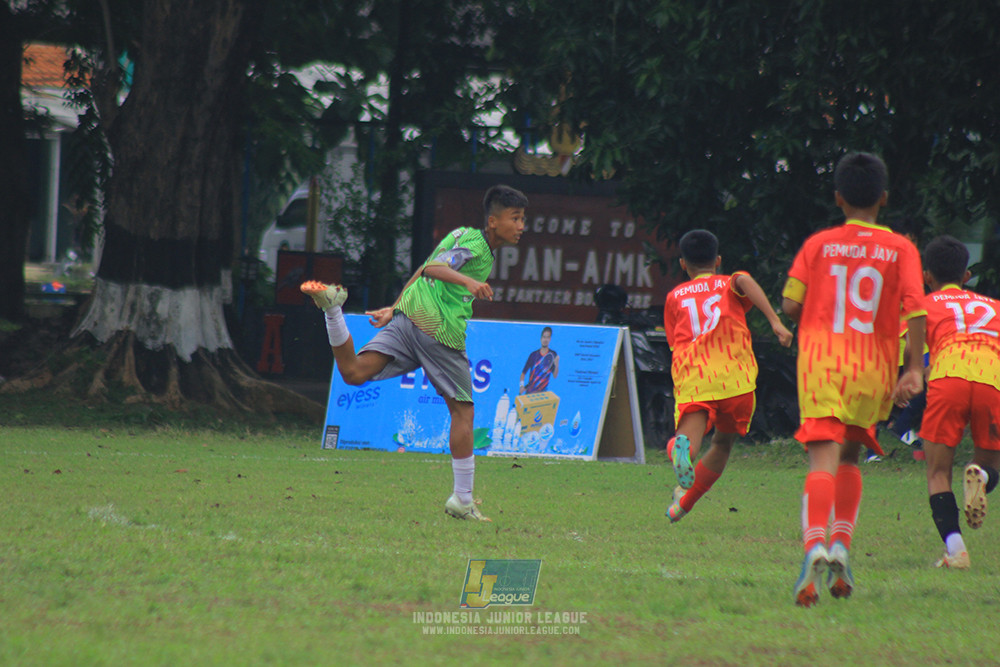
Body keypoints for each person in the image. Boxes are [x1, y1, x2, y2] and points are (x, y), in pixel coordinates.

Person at [300, 184, 528, 522]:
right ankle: (463, 499)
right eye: (516, 218)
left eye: (523, 219)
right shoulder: (476, 248)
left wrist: (394, 308)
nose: (522, 226)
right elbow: (435, 270)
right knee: (463, 414)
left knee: (353, 372)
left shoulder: (461, 234)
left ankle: (332, 311)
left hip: (410, 316)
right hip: (438, 331)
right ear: (493, 221)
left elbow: (424, 268)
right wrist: (468, 283)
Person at [782, 152, 926, 607]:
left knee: (820, 460)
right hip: (872, 368)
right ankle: (841, 543)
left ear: (839, 197)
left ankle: (814, 548)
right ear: (883, 198)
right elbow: (917, 311)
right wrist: (914, 369)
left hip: (823, 365)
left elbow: (789, 304)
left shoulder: (819, 244)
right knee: (850, 456)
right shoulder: (902, 248)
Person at [663, 229, 793, 524]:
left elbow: (675, 343)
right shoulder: (728, 284)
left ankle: (678, 450)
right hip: (736, 381)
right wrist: (775, 322)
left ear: (683, 265)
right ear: (718, 260)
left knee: (688, 441)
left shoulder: (674, 297)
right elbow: (743, 280)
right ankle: (683, 504)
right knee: (722, 445)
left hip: (696, 380)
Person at [917, 235, 1000, 569]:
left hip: (949, 371)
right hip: (992, 374)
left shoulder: (922, 306)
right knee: (990, 464)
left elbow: (907, 356)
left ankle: (956, 550)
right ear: (967, 276)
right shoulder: (994, 307)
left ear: (926, 276)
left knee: (938, 471)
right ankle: (982, 477)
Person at [519, 326, 559, 394]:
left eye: (547, 337)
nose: (545, 339)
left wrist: (557, 364)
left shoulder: (553, 354)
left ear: (550, 339)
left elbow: (555, 376)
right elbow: (523, 373)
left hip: (543, 394)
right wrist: (522, 386)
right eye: (544, 337)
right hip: (530, 392)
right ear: (541, 338)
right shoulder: (533, 355)